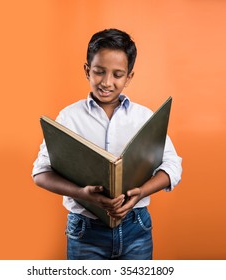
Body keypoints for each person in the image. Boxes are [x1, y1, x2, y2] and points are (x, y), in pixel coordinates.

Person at [32, 28, 182, 260]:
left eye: (117, 74)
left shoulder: (144, 117)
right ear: (87, 70)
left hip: (137, 228)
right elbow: (40, 173)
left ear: (129, 77)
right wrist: (83, 193)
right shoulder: (69, 117)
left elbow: (173, 166)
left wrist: (141, 191)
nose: (107, 82)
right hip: (85, 230)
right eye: (99, 72)